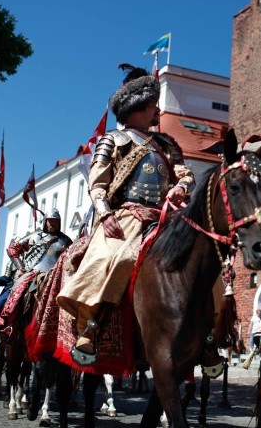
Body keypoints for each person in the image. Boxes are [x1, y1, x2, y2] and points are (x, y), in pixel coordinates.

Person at [57, 63, 194, 366]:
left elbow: (186, 175)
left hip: (165, 217)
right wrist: (106, 216)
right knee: (113, 258)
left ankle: (206, 335)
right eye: (151, 107)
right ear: (135, 109)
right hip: (125, 216)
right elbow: (98, 186)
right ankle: (91, 325)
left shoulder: (167, 144)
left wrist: (181, 188)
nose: (157, 113)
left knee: (203, 260)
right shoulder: (112, 141)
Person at [0, 209, 72, 335]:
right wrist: (20, 266)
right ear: (45, 222)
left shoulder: (66, 241)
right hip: (35, 273)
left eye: (55, 221)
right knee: (18, 292)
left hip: (57, 274)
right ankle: (9, 325)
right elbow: (12, 249)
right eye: (50, 221)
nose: (52, 224)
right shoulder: (35, 236)